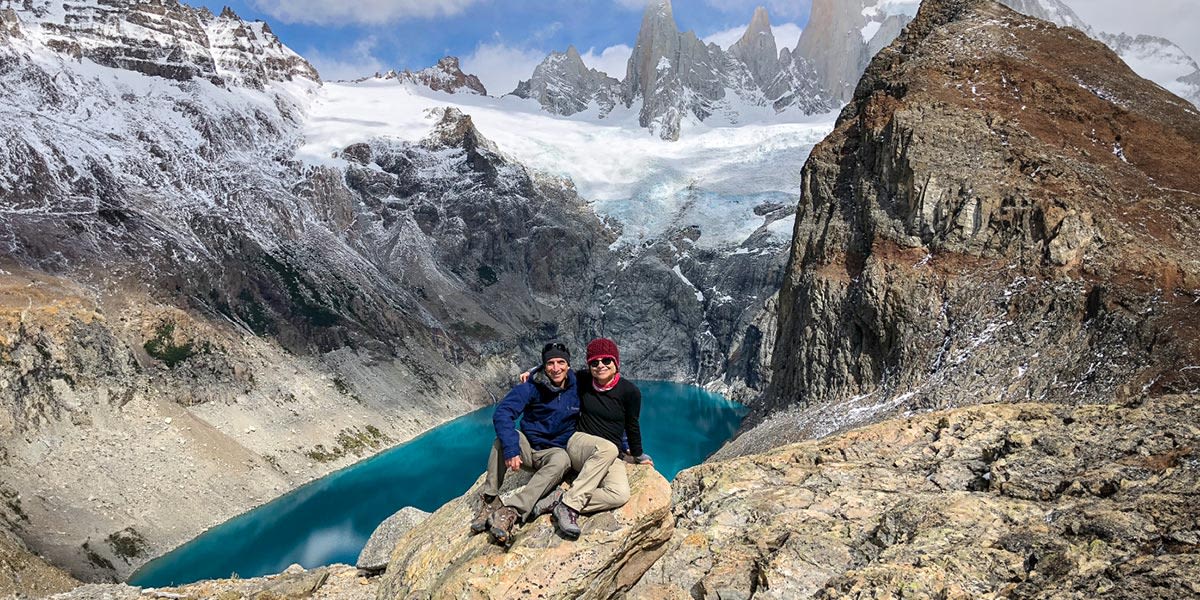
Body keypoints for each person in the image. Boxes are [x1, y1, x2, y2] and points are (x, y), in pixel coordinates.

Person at [523, 337, 652, 540]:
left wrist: (637, 454)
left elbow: (632, 424)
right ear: (589, 365)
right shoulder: (582, 380)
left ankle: (559, 500)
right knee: (607, 449)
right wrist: (533, 372)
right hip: (578, 443)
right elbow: (557, 370)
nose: (600, 366)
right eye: (594, 362)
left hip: (610, 453)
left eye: (606, 361)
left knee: (619, 494)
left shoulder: (630, 392)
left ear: (616, 362)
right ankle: (569, 508)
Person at [470, 342, 579, 546]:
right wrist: (512, 449)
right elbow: (503, 413)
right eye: (550, 363)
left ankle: (512, 510)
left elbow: (607, 396)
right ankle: (491, 500)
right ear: (544, 366)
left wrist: (627, 446)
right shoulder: (530, 387)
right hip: (528, 447)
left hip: (553, 451)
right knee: (500, 441)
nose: (556, 368)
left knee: (562, 459)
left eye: (561, 362)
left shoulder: (577, 386)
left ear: (569, 365)